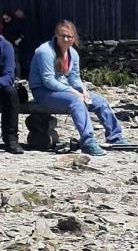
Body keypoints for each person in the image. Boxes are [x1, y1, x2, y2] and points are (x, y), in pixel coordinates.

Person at [29, 21, 128, 157]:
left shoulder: (73, 54)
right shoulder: (44, 52)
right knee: (76, 101)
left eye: (69, 36)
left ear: (74, 38)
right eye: (62, 35)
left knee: (99, 101)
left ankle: (115, 137)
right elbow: (48, 81)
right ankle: (88, 141)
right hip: (43, 91)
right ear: (56, 35)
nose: (65, 39)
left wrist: (82, 89)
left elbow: (74, 78)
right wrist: (73, 92)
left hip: (65, 89)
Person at [0, 22, 22, 153]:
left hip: (1, 86)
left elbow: (9, 76)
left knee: (11, 93)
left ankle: (11, 138)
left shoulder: (6, 46)